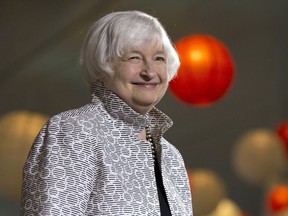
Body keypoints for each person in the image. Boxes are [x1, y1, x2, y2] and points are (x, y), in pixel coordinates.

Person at [21, 10, 193, 216]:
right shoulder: (74, 130)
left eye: (159, 58)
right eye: (134, 57)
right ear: (103, 65)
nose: (149, 72)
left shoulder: (171, 156)